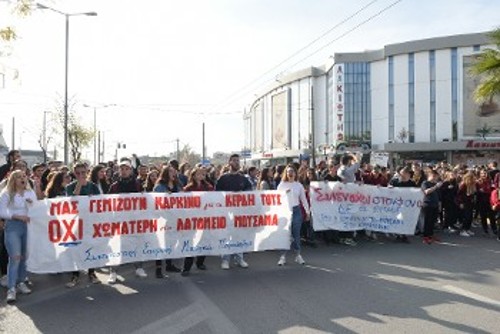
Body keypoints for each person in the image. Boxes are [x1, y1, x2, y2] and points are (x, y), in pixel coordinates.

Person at [108, 159, 148, 283]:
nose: (124, 171)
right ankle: (113, 271)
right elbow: (107, 203)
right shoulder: (114, 186)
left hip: (134, 221)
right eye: (122, 169)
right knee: (117, 246)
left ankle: (139, 267)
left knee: (136, 243)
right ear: (119, 171)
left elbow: (144, 199)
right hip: (119, 221)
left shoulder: (137, 184)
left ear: (131, 170)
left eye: (126, 169)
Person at [0, 170, 37, 303]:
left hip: (28, 227)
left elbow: (36, 207)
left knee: (24, 256)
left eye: (24, 176)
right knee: (15, 257)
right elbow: (2, 211)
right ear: (13, 180)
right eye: (19, 177)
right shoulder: (6, 193)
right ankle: (11, 288)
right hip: (13, 226)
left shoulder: (30, 192)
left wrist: (31, 203)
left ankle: (21, 282)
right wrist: (16, 216)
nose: (23, 179)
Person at [65, 163, 102, 287]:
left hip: (90, 222)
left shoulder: (94, 187)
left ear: (87, 173)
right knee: (76, 248)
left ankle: (92, 272)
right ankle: (75, 274)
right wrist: (79, 184)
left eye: (83, 172)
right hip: (75, 223)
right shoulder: (70, 187)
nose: (81, 175)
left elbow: (100, 203)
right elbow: (72, 201)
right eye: (78, 173)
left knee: (91, 246)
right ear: (74, 174)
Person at [216, 154, 252, 270]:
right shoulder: (223, 178)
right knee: (226, 235)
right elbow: (216, 195)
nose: (237, 162)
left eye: (238, 161)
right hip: (226, 213)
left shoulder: (244, 179)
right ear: (230, 162)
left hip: (239, 213)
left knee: (239, 235)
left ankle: (239, 258)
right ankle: (225, 259)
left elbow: (251, 194)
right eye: (235, 160)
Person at [181, 167, 214, 276]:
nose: (201, 176)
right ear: (193, 175)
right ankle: (186, 267)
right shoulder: (188, 189)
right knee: (191, 242)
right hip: (192, 220)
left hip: (205, 218)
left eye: (203, 174)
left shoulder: (209, 187)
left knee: (204, 241)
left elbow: (213, 201)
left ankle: (200, 262)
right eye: (199, 174)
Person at [153, 165, 183, 278]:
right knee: (161, 243)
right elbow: (155, 202)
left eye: (174, 171)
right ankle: (158, 269)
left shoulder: (178, 185)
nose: (173, 173)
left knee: (171, 241)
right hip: (162, 219)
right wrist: (165, 197)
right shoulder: (160, 186)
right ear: (165, 173)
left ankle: (169, 264)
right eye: (170, 171)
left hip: (174, 218)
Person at [277, 165, 310, 266]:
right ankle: (283, 256)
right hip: (285, 211)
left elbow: (303, 199)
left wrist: (307, 212)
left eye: (292, 171)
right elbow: (276, 199)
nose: (290, 173)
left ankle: (298, 255)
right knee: (285, 234)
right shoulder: (282, 185)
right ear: (286, 174)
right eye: (288, 172)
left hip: (296, 210)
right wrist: (283, 194)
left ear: (295, 173)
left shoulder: (298, 185)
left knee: (296, 234)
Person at [337, 153, 361, 246]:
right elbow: (357, 163)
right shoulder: (349, 170)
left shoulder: (339, 170)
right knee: (350, 216)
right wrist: (353, 156)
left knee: (343, 216)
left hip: (341, 197)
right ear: (349, 162)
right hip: (350, 197)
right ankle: (348, 237)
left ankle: (342, 237)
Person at [389, 167, 417, 242]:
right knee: (397, 219)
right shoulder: (394, 181)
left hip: (407, 205)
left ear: (408, 174)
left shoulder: (412, 183)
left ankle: (404, 235)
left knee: (405, 220)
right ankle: (398, 234)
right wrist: (390, 187)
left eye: (404, 173)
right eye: (401, 173)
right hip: (396, 204)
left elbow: (416, 193)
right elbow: (388, 189)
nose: (401, 175)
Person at [421, 169, 442, 244]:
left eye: (436, 177)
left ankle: (430, 235)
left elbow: (439, 196)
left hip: (435, 205)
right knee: (428, 221)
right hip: (428, 204)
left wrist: (439, 204)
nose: (435, 178)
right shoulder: (425, 183)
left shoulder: (435, 184)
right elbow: (426, 192)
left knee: (433, 221)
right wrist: (436, 186)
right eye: (434, 176)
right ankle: (425, 236)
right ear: (429, 176)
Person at [456, 171, 477, 237]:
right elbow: (458, 195)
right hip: (464, 202)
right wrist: (461, 203)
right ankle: (463, 230)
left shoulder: (472, 184)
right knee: (466, 217)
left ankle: (467, 229)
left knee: (470, 217)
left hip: (470, 202)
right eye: (472, 177)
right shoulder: (463, 184)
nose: (474, 179)